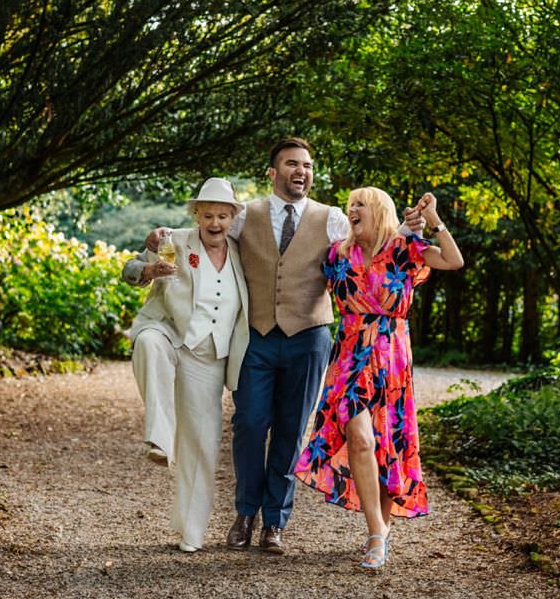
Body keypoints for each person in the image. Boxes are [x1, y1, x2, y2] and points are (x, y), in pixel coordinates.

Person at [124, 139, 424, 555]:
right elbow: (206, 229)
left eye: (307, 165)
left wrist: (413, 229)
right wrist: (157, 236)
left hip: (309, 337)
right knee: (249, 424)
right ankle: (245, 513)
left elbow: (375, 242)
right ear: (273, 172)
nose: (301, 171)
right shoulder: (246, 216)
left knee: (290, 429)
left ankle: (274, 523)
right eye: (291, 164)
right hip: (257, 337)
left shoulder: (332, 219)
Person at [293, 188, 463, 569]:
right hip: (351, 357)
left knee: (390, 446)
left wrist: (432, 220)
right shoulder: (337, 254)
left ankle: (380, 528)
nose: (352, 210)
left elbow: (453, 260)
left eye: (360, 205)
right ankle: (375, 535)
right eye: (350, 205)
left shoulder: (405, 251)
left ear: (380, 212)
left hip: (392, 359)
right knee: (361, 437)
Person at [126, 177, 249, 552]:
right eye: (208, 214)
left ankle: (191, 533)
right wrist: (147, 270)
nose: (215, 223)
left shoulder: (243, 252)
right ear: (196, 214)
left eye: (222, 216)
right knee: (147, 342)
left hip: (210, 354)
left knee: (202, 443)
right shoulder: (173, 240)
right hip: (168, 334)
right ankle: (159, 438)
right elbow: (130, 270)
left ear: (232, 218)